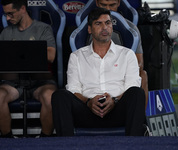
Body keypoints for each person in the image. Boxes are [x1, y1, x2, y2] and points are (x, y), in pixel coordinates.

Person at [51, 7, 146, 136]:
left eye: (107, 23)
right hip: (87, 111)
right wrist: (88, 102)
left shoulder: (127, 54)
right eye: (98, 23)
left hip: (117, 110)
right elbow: (73, 89)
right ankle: (66, 146)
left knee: (137, 93)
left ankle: (134, 145)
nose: (104, 27)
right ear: (89, 29)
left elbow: (132, 86)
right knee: (60, 96)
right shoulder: (77, 56)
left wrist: (114, 100)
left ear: (112, 27)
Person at [0, 0, 57, 138]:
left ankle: (45, 139)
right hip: (14, 83)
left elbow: (50, 55)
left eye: (11, 14)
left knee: (50, 98)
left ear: (23, 9)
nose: (8, 18)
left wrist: (20, 51)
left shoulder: (43, 29)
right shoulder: (6, 33)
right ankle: (7, 139)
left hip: (40, 82)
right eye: (6, 14)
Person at [96, 0, 148, 108]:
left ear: (119, 3)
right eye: (103, 5)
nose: (108, 9)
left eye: (112, 5)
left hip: (122, 73)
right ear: (97, 3)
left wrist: (118, 70)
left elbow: (139, 63)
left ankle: (140, 120)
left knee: (142, 75)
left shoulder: (131, 29)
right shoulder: (87, 27)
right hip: (95, 72)